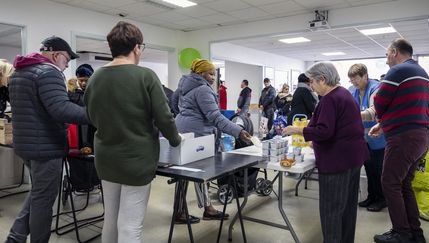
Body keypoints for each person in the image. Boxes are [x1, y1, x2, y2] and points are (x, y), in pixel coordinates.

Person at [84, 21, 182, 243]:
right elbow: (164, 117)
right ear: (137, 47)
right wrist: (175, 140)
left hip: (106, 159)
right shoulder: (145, 76)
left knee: (111, 219)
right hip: (136, 160)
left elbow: (90, 116)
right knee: (130, 225)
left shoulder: (95, 78)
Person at [5, 36, 88, 243]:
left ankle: (15, 237)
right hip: (46, 148)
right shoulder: (49, 72)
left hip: (26, 146)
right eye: (67, 59)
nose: (68, 64)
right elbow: (61, 110)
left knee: (37, 193)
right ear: (56, 54)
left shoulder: (19, 72)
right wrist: (94, 114)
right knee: (43, 200)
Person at [283, 61, 368, 243]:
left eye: (312, 82)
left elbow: (324, 131)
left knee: (331, 211)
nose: (311, 87)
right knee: (347, 209)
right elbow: (338, 127)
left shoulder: (330, 99)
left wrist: (297, 130)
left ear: (322, 79)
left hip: (337, 162)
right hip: (353, 159)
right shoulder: (344, 94)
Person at [174, 59, 251, 224]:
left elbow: (173, 106)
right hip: (199, 134)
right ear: (200, 73)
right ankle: (204, 210)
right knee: (203, 172)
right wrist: (238, 131)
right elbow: (215, 117)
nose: (212, 78)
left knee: (184, 174)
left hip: (183, 131)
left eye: (214, 74)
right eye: (210, 74)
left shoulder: (182, 86)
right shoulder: (203, 90)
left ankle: (183, 211)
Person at [369, 38, 429, 243]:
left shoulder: (397, 71)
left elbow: (379, 101)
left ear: (395, 52)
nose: (386, 60)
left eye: (387, 55)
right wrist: (384, 124)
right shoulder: (422, 73)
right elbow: (408, 108)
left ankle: (401, 233)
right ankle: (415, 233)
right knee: (404, 183)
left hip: (404, 138)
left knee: (389, 182)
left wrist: (381, 119)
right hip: (421, 136)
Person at [348, 63, 387, 212]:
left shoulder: (375, 89)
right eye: (351, 80)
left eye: (356, 79)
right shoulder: (355, 92)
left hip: (377, 137)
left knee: (378, 170)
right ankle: (371, 196)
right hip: (363, 138)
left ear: (365, 76)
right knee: (369, 169)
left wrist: (351, 116)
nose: (354, 83)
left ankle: (382, 199)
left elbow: (373, 111)